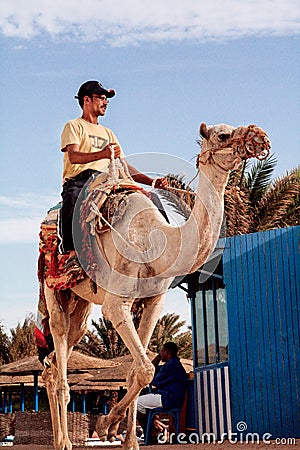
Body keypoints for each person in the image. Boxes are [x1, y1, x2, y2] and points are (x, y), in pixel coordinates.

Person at [59, 80, 168, 265]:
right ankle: (71, 253)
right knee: (72, 199)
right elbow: (74, 157)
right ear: (86, 99)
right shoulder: (74, 126)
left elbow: (124, 167)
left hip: (109, 181)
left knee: (149, 198)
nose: (105, 102)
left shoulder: (109, 133)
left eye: (106, 99)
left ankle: (165, 246)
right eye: (101, 98)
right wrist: (102, 154)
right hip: (81, 181)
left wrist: (151, 182)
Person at [137, 342, 188, 437]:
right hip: (170, 398)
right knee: (142, 404)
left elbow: (150, 377)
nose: (160, 354)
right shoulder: (172, 364)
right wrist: (159, 357)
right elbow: (150, 370)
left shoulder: (170, 366)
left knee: (137, 403)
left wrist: (159, 357)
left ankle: (151, 433)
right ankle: (152, 428)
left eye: (162, 351)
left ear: (167, 352)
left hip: (168, 399)